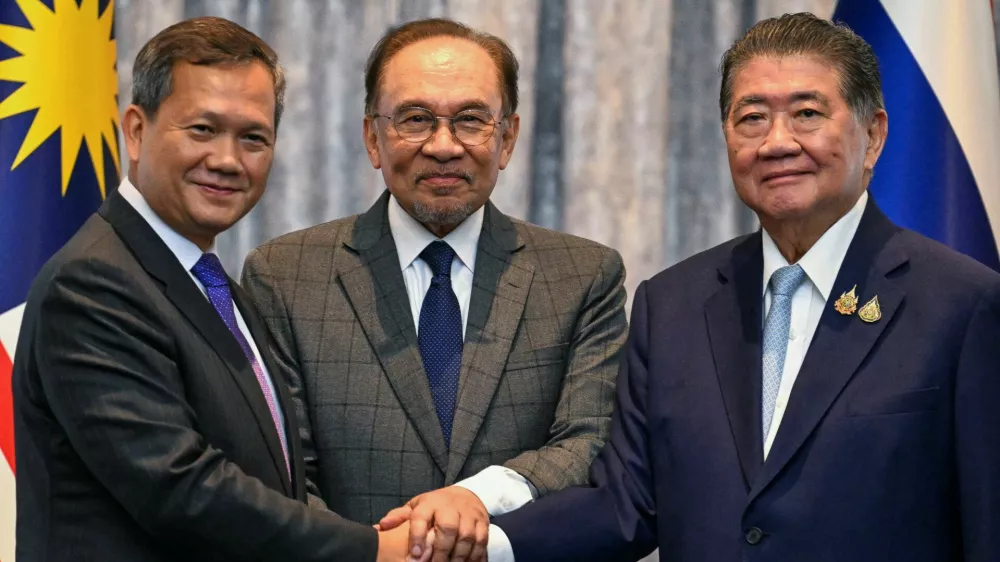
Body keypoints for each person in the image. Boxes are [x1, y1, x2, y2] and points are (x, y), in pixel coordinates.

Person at [490, 12, 1000, 562]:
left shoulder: (963, 305)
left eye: (807, 114)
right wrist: (483, 542)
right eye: (751, 118)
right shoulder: (672, 305)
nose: (777, 142)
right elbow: (625, 504)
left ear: (872, 135)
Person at [13, 16, 414, 562]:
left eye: (253, 137)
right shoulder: (94, 283)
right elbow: (182, 489)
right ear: (135, 130)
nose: (227, 160)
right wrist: (373, 549)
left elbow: (269, 471)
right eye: (202, 129)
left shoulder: (214, 283)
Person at [241, 18, 627, 562]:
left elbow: (591, 440)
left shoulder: (584, 274)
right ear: (373, 137)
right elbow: (282, 470)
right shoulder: (283, 274)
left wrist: (474, 495)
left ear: (508, 138)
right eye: (416, 119)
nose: (443, 146)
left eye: (471, 120)